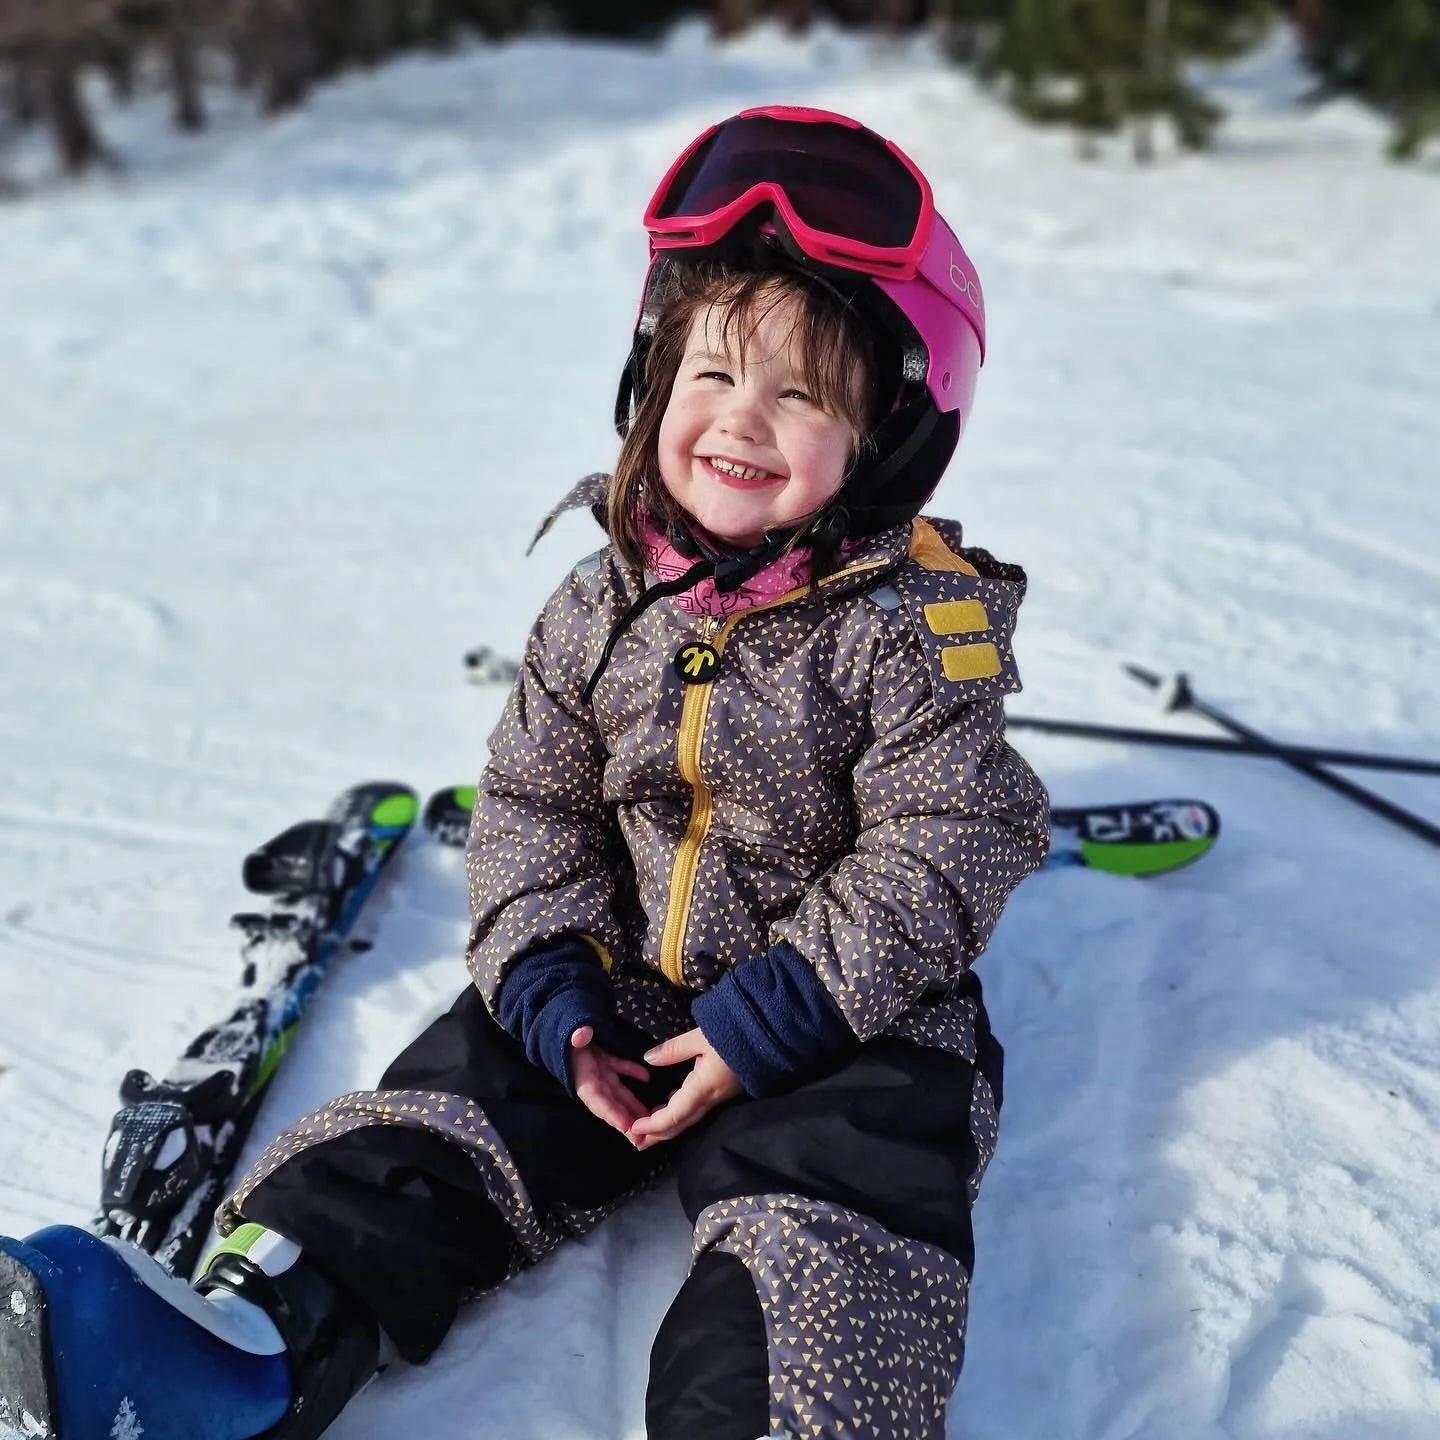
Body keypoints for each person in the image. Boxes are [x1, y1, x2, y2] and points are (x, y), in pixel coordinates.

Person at [0, 106, 1049, 1440]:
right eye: (710, 378)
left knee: (840, 1224)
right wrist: (547, 984)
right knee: (429, 1122)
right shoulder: (599, 605)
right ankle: (244, 1346)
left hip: (836, 1017)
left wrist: (771, 1017)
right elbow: (533, 806)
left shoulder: (911, 636)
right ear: (651, 388)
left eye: (799, 394)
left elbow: (950, 839)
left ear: (890, 436)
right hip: (616, 975)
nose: (742, 422)